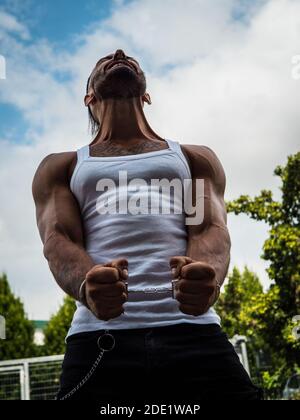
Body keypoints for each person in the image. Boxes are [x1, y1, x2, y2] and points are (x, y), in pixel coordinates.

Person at [32, 49, 262, 401]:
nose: (121, 54)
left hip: (192, 332)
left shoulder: (193, 157)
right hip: (100, 338)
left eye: (129, 59)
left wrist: (208, 277)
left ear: (147, 95)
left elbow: (208, 227)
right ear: (89, 97)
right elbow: (58, 237)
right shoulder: (61, 166)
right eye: (105, 60)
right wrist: (85, 285)